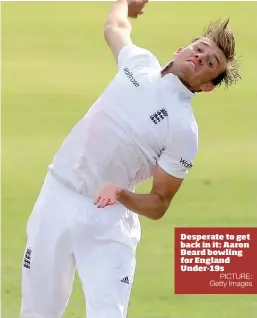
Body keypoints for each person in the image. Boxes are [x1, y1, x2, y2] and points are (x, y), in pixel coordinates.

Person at [20, 0, 241, 317]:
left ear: (206, 86)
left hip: (108, 221)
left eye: (210, 62)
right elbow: (116, 27)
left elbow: (159, 203)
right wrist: (124, 3)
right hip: (57, 196)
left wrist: (123, 194)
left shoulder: (183, 129)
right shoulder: (139, 62)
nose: (200, 57)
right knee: (37, 312)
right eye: (200, 48)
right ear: (181, 49)